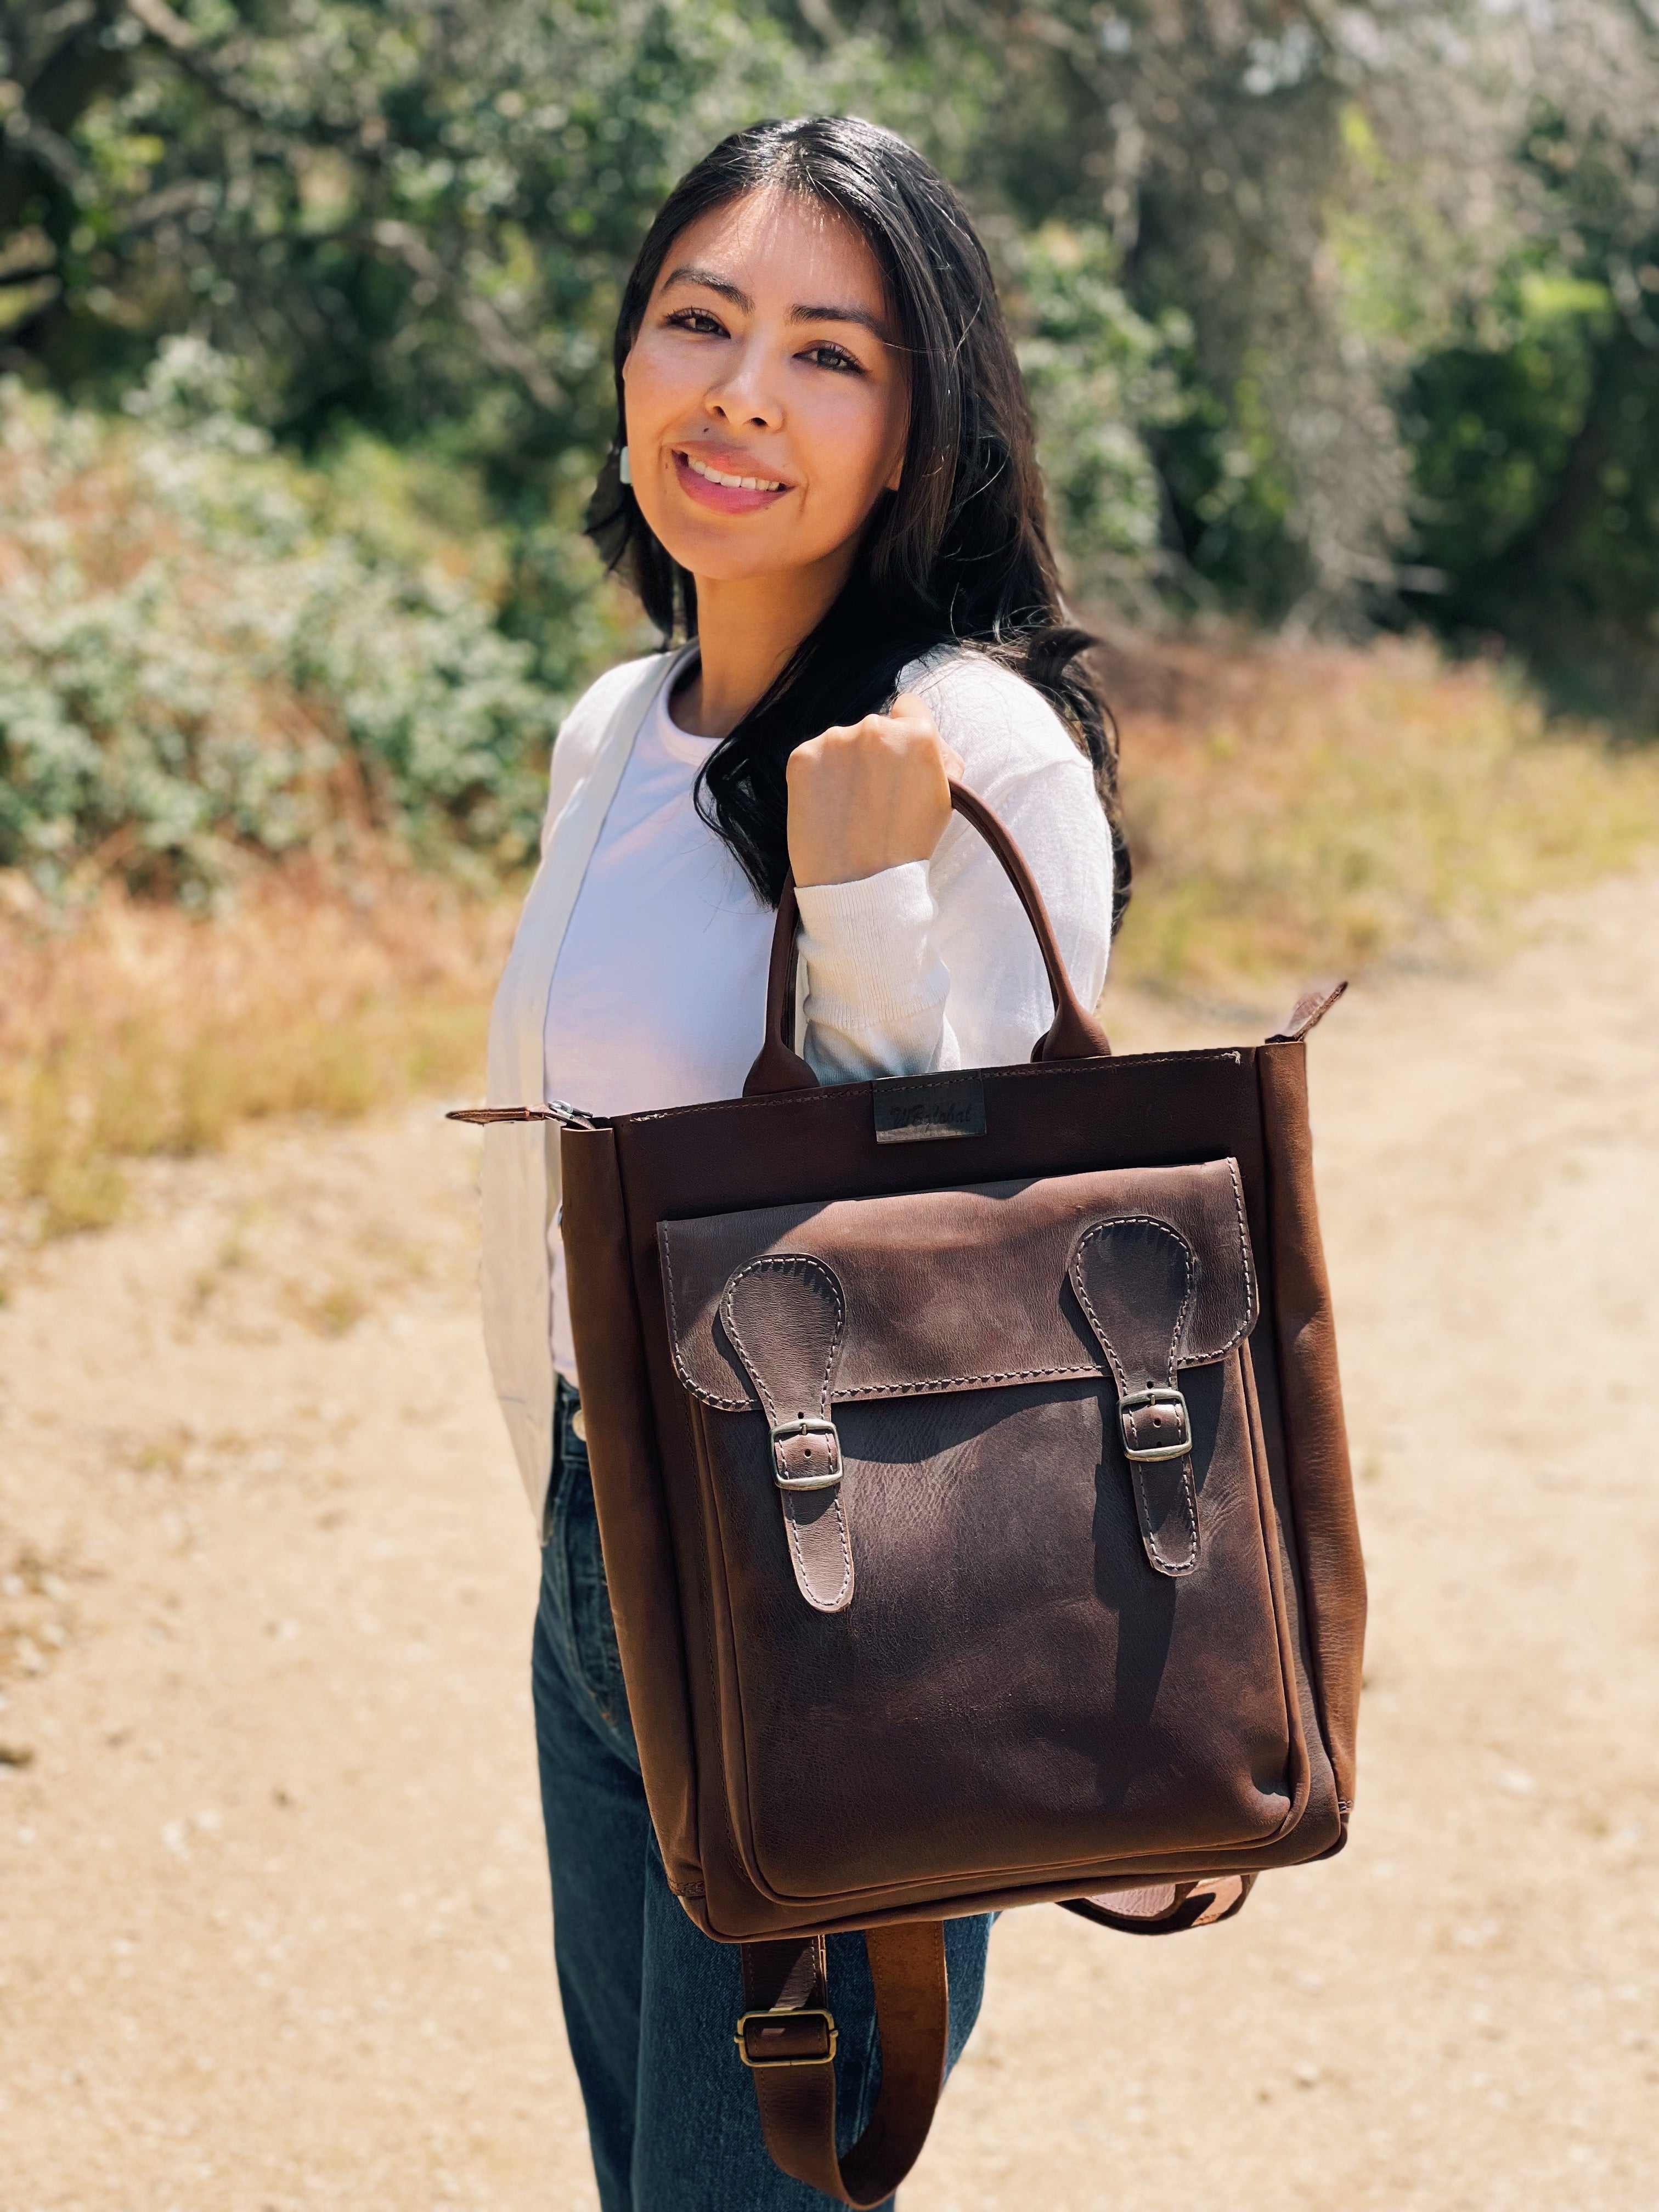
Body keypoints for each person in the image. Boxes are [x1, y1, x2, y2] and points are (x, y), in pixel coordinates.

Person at [477, 114, 1125, 2212]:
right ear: (628, 361)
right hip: (607, 1537)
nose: (743, 392)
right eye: (698, 321)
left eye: (829, 353)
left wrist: (862, 905)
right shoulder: (612, 727)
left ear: (921, 426)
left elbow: (969, 1264)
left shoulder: (982, 749)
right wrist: (574, 1499)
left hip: (856, 1598)